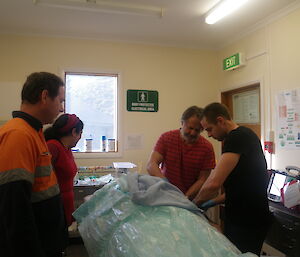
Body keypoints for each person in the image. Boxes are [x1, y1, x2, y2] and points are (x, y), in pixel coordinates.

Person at [0, 72, 67, 257]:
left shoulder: (33, 131)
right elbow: (14, 207)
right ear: (44, 96)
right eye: (60, 101)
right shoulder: (18, 135)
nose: (62, 108)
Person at [193, 102, 271, 255]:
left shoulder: (237, 137)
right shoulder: (245, 135)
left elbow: (213, 183)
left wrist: (194, 204)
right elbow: (242, 187)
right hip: (245, 217)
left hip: (247, 221)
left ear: (221, 121)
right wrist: (211, 202)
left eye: (209, 129)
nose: (209, 134)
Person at [147, 106, 216, 200]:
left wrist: (184, 198)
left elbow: (202, 179)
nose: (192, 133)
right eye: (190, 128)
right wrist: (165, 184)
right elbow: (151, 164)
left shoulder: (207, 148)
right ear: (182, 123)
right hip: (165, 193)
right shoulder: (166, 138)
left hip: (191, 198)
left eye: (197, 130)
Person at [44, 114, 83, 227]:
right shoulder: (53, 147)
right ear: (74, 131)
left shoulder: (67, 148)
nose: (80, 137)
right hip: (54, 203)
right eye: (80, 133)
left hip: (65, 202)